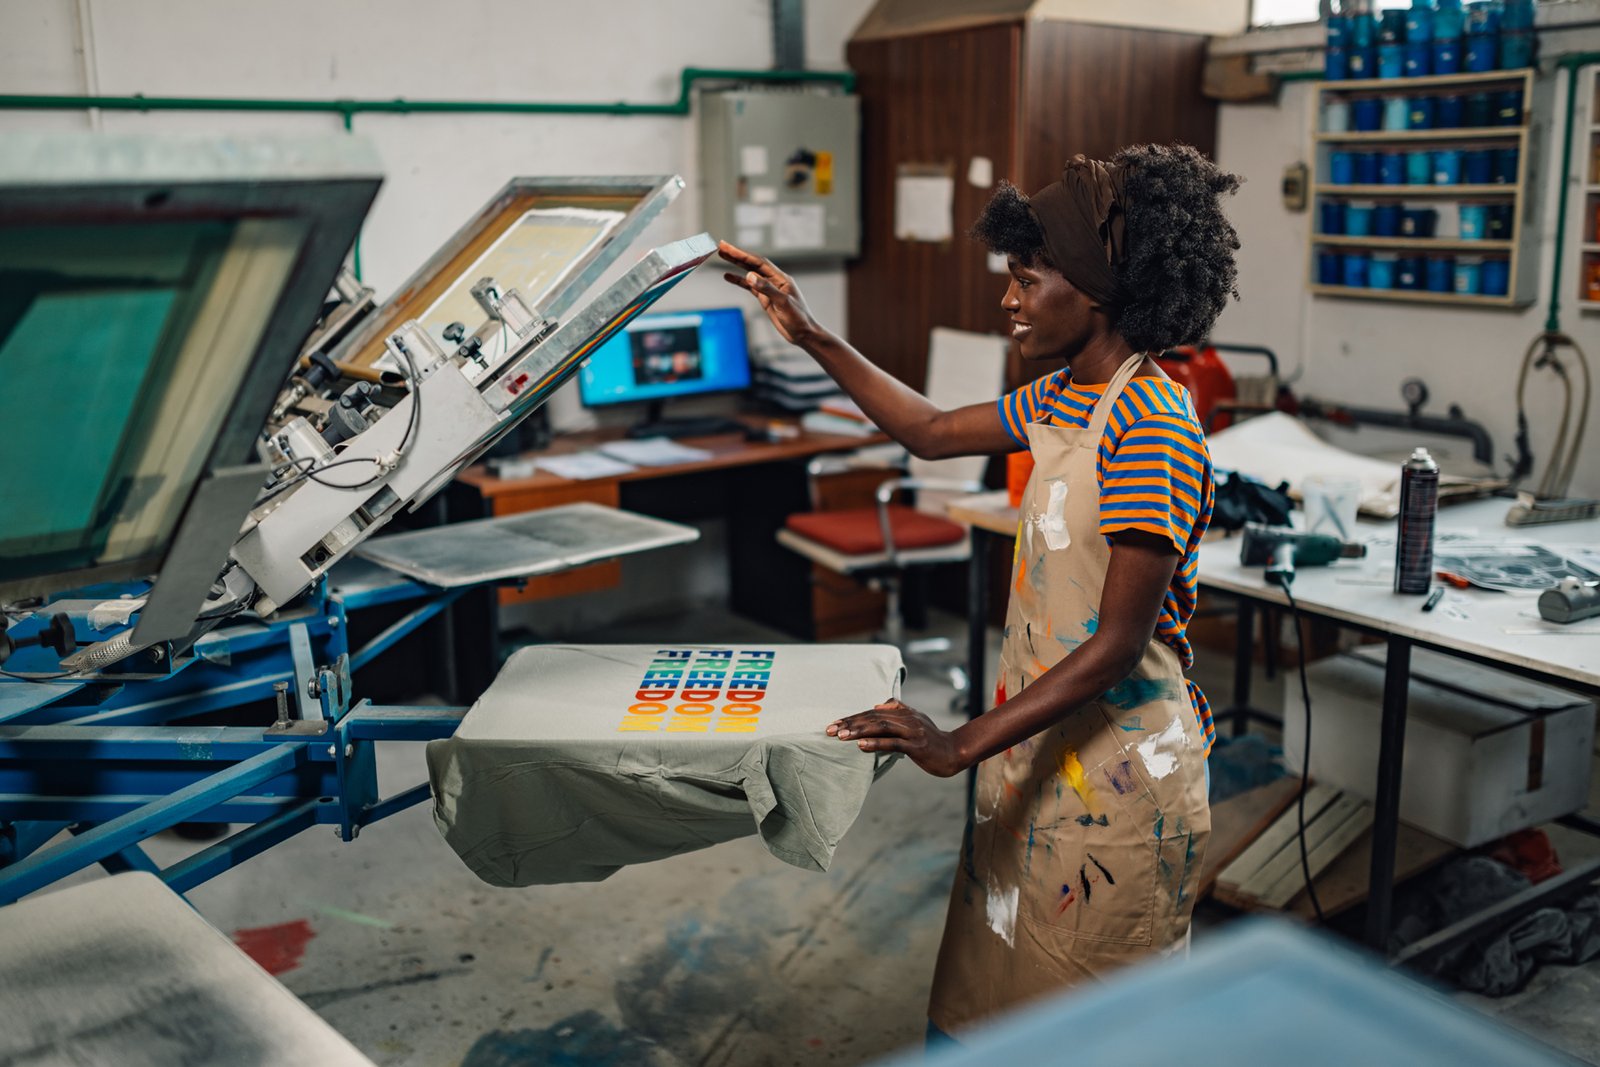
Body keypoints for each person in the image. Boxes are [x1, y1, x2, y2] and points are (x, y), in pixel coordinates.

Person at [721, 143, 1241, 1037]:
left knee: (1090, 1027)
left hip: (1116, 777)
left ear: (1096, 289)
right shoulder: (1064, 398)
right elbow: (925, 429)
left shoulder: (1154, 424)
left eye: (1026, 278)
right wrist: (809, 332)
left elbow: (1118, 643)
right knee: (988, 999)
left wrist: (957, 741)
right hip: (1036, 749)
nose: (1009, 298)